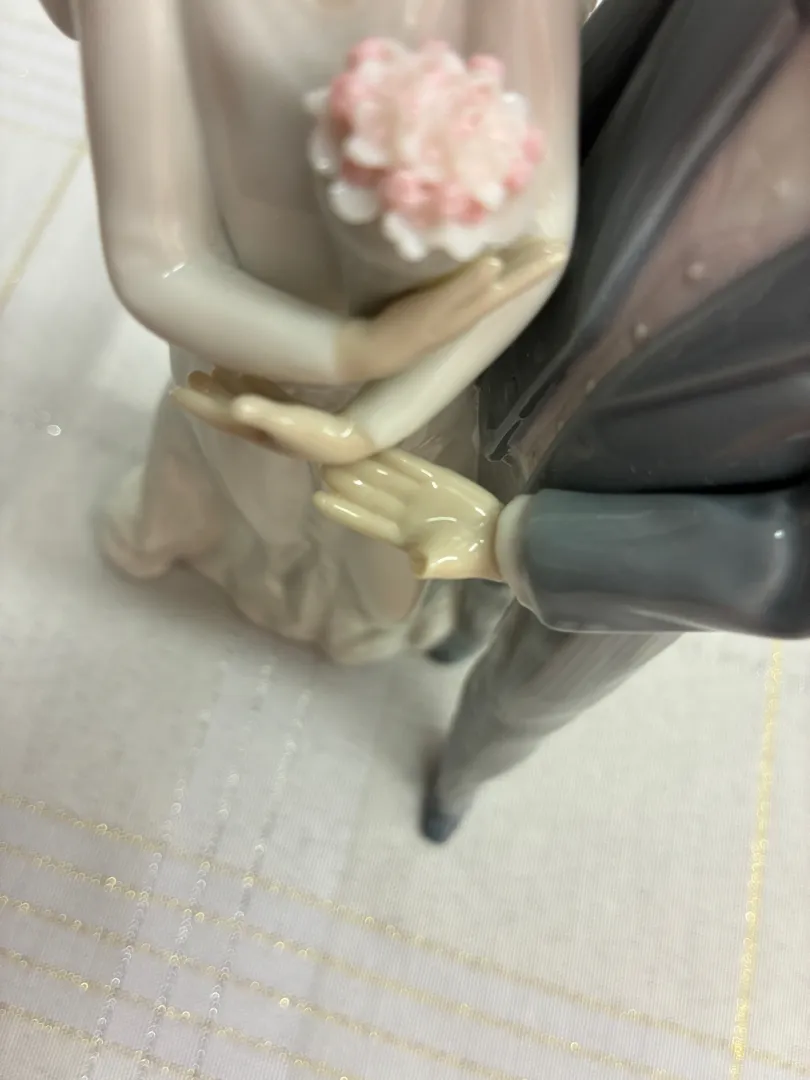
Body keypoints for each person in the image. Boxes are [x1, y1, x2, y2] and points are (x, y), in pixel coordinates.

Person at [313, 0, 810, 839]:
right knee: (458, 548)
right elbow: (566, 94)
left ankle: (464, 773)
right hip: (521, 373)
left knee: (529, 697)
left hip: (658, 549)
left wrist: (516, 548)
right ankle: (462, 626)